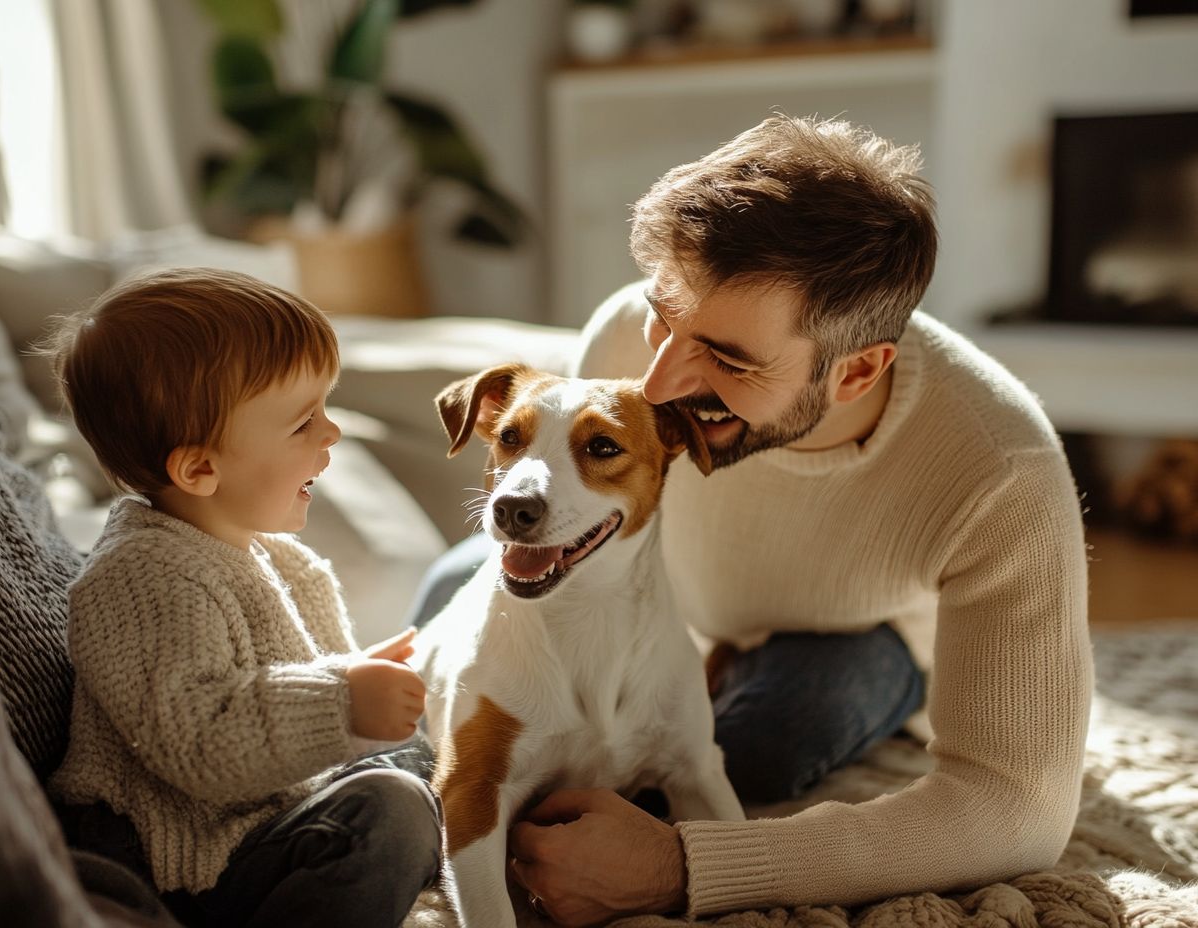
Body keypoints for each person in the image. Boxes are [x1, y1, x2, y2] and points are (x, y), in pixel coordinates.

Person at [409, 114, 1092, 925]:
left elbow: (1017, 807)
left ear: (858, 371)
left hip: (843, 637)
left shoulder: (1000, 470)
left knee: (769, 742)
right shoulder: (628, 343)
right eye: (662, 318)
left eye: (729, 360)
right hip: (643, 606)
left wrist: (683, 866)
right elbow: (563, 504)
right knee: (454, 590)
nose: (659, 380)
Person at [43, 269, 441, 928]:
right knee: (389, 810)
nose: (331, 434)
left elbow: (284, 694)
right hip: (185, 869)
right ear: (200, 469)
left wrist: (365, 679)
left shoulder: (281, 560)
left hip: (264, 828)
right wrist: (343, 698)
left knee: (426, 762)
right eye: (302, 423)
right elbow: (200, 740)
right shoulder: (140, 579)